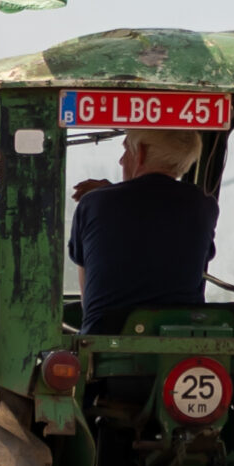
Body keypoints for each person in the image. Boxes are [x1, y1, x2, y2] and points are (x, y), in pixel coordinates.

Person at [68, 130, 218, 336]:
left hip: (107, 340)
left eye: (125, 150)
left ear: (140, 152)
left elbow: (88, 298)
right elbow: (155, 216)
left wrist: (103, 195)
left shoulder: (93, 203)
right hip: (182, 340)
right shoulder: (205, 205)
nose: (121, 160)